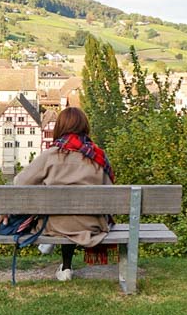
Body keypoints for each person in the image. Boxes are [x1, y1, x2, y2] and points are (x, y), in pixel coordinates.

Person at [13, 107, 114, 281]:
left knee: (61, 217)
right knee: (74, 217)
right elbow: (111, 192)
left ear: (59, 127)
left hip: (56, 224)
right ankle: (65, 267)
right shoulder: (97, 156)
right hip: (91, 225)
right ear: (85, 126)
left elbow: (19, 182)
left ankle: (59, 260)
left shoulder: (51, 154)